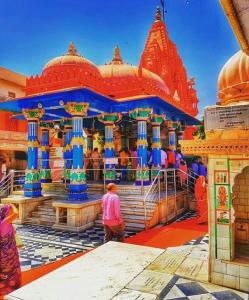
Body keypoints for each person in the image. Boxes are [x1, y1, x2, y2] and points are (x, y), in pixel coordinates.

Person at [0, 204, 21, 299]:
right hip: (8, 253)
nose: (11, 212)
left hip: (7, 252)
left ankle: (8, 290)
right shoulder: (5, 222)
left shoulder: (5, 223)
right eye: (9, 211)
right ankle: (10, 292)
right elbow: (16, 213)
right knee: (9, 272)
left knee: (8, 272)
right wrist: (12, 205)